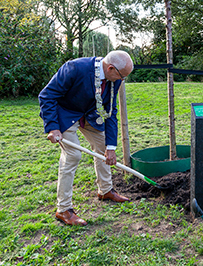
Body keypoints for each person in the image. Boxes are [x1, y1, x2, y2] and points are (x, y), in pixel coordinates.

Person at [39, 50, 134, 226]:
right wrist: (52, 127)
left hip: (91, 115)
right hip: (66, 115)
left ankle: (105, 190)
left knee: (104, 145)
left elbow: (111, 112)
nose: (122, 80)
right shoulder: (74, 68)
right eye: (122, 76)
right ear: (111, 68)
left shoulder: (115, 79)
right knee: (73, 155)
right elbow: (47, 95)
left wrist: (111, 147)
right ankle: (64, 209)